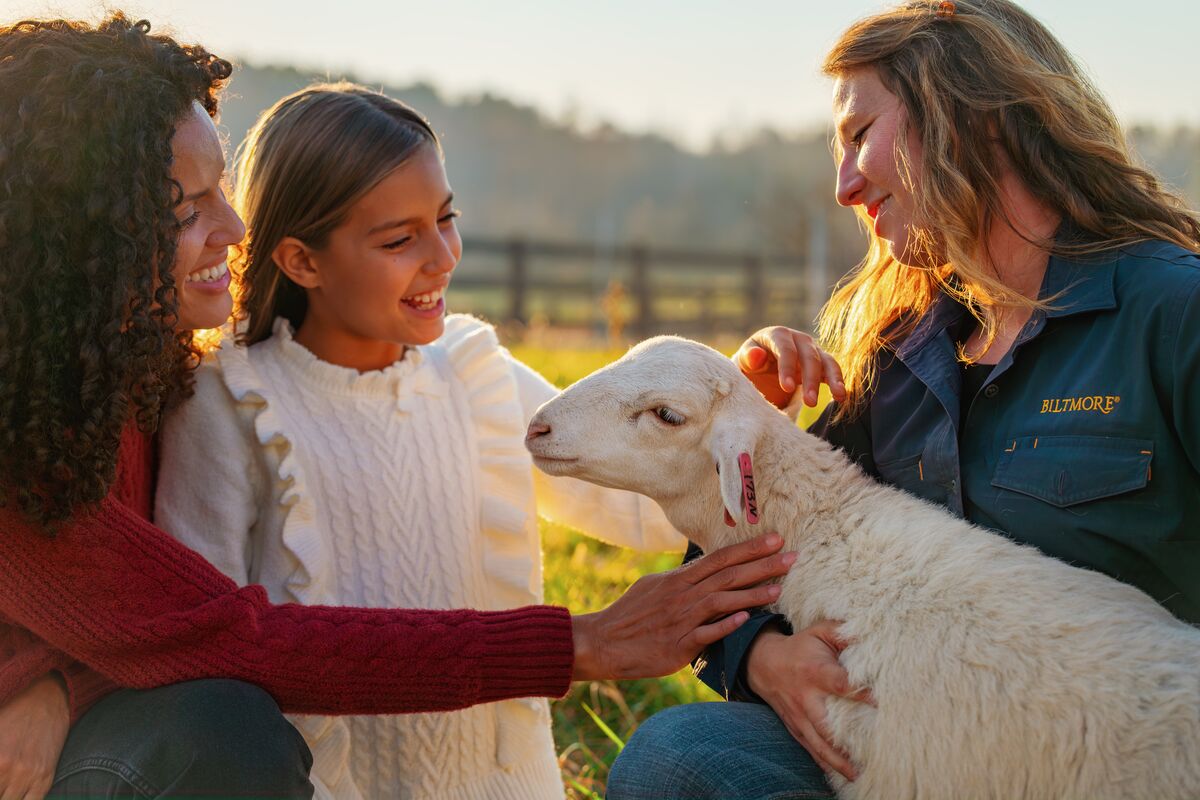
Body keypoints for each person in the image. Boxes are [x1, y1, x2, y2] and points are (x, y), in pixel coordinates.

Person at [0, 15, 798, 799]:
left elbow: (145, 621)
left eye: (446, 220)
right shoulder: (149, 415)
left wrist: (733, 400)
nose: (234, 227)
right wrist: (581, 643)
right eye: (187, 208)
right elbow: (219, 637)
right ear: (80, 236)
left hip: (492, 776)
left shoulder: (130, 367)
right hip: (306, 766)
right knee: (221, 730)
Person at [606, 1, 1200, 798]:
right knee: (683, 756)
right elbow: (735, 561)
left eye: (860, 136)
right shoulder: (901, 353)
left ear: (970, 115)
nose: (847, 185)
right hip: (900, 755)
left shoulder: (1172, 314)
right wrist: (764, 657)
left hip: (1113, 761)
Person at [145, 80, 715, 799]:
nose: (442, 257)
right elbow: (212, 659)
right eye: (398, 239)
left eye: (445, 218)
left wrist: (736, 403)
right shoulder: (228, 402)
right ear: (302, 261)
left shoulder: (479, 374)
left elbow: (637, 508)